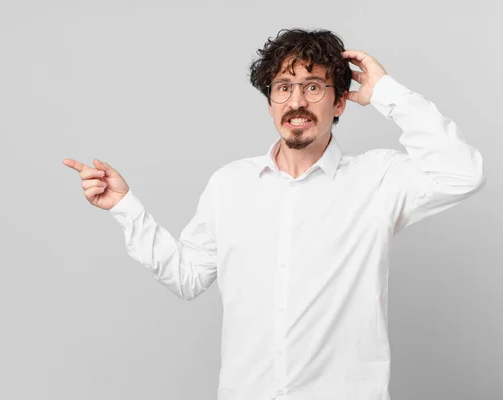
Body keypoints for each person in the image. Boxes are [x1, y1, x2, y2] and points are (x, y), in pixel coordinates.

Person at [63, 28, 485, 400]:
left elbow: (463, 174)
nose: (296, 101)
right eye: (283, 87)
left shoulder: (378, 179)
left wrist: (388, 93)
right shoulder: (228, 184)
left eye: (313, 87)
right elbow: (187, 277)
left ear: (340, 103)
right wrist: (125, 207)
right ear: (269, 103)